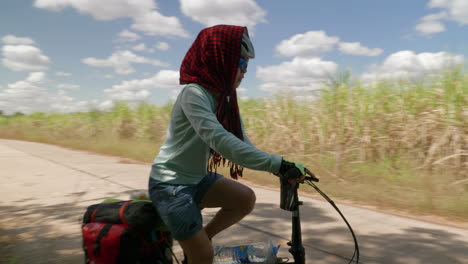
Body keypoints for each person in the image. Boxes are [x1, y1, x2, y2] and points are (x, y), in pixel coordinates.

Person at [148, 25, 307, 264]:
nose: (244, 71)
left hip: (196, 179)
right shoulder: (194, 94)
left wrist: (279, 165)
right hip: (171, 185)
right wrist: (276, 164)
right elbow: (220, 139)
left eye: (247, 65)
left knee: (244, 199)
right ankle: (198, 250)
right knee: (203, 258)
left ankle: (203, 239)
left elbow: (240, 139)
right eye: (240, 63)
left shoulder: (223, 98)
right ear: (220, 60)